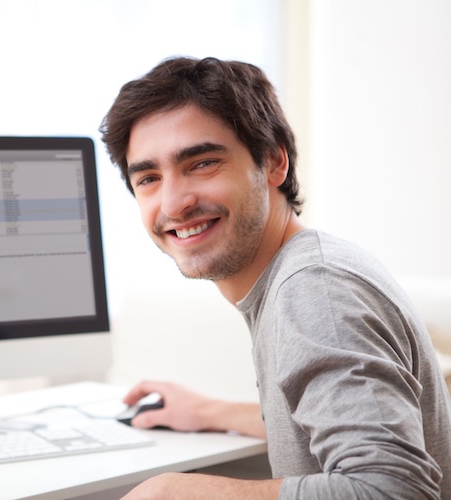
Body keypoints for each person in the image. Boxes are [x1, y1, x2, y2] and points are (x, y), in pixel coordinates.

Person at [99, 56, 451, 499]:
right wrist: (215, 411)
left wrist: (172, 492)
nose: (173, 203)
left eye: (202, 163)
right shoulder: (303, 270)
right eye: (148, 178)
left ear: (273, 163)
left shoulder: (314, 291)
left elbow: (392, 490)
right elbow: (322, 418)